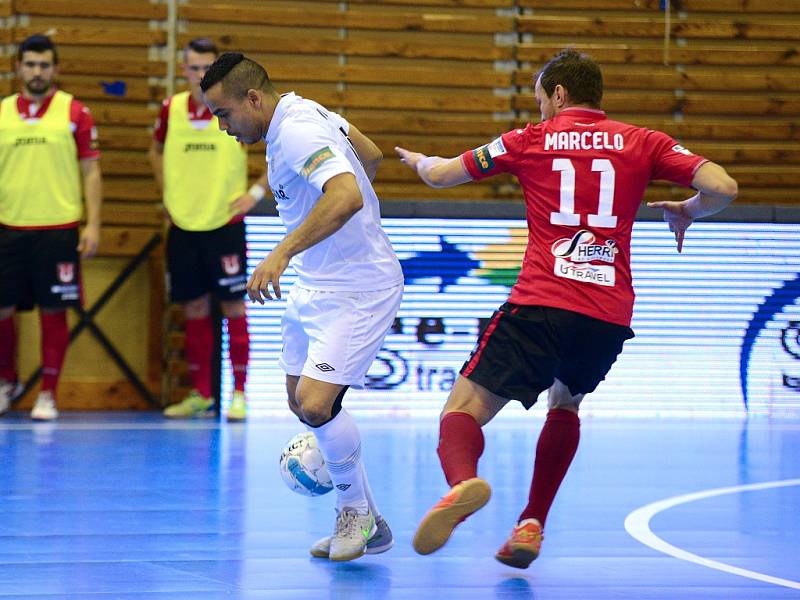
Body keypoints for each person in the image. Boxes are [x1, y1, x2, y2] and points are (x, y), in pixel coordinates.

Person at [396, 48, 738, 568]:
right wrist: (687, 211)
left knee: (462, 411)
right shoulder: (643, 140)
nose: (538, 112)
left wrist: (420, 162)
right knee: (565, 404)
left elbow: (443, 175)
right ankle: (531, 523)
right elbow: (723, 187)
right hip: (607, 316)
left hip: (541, 302)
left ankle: (464, 484)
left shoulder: (530, 139)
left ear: (558, 94)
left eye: (539, 101)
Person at [200, 53, 404, 561]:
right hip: (315, 285)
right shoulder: (303, 113)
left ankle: (354, 512)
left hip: (358, 287)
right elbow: (371, 155)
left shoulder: (295, 131)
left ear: (252, 98)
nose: (223, 127)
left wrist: (282, 252)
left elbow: (349, 193)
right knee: (301, 403)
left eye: (224, 114)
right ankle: (371, 523)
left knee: (316, 403)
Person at [149, 39, 268, 422]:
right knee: (194, 308)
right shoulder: (170, 111)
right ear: (183, 70)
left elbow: (278, 147)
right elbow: (155, 150)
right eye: (193, 68)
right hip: (184, 225)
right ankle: (201, 394)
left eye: (206, 68)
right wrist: (167, 193)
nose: (199, 75)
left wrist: (255, 192)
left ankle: (239, 393)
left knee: (234, 306)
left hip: (224, 224)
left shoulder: (237, 109)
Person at [0, 34, 103, 420]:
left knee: (53, 310)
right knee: (3, 309)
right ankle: (5, 382)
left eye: (44, 64)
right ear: (18, 68)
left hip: (58, 228)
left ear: (55, 69)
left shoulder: (75, 112)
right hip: (9, 226)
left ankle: (48, 393)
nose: (37, 71)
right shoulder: (3, 112)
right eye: (30, 64)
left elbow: (91, 171)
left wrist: (92, 224)